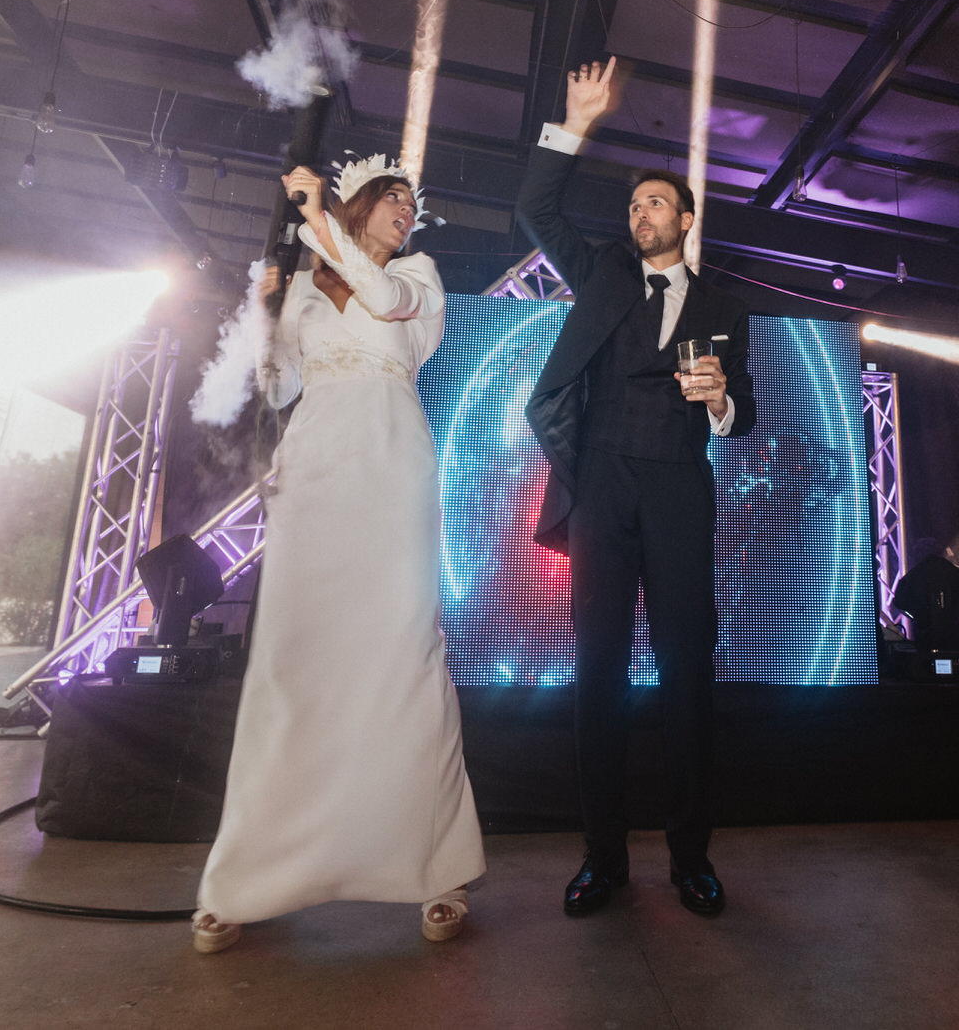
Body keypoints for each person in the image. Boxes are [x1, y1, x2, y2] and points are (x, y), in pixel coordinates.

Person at [190, 156, 484, 954]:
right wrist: (263, 322)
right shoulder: (304, 289)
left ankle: (438, 869)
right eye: (392, 198)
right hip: (314, 465)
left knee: (404, 650)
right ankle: (244, 878)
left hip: (391, 461)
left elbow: (383, 299)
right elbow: (279, 388)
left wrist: (317, 221)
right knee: (291, 656)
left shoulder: (418, 275)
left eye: (410, 203)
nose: (405, 211)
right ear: (360, 204)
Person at [517, 57, 756, 919]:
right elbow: (536, 209)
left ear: (686, 220)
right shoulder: (605, 275)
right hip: (603, 486)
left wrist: (721, 399)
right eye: (633, 205)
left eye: (656, 203)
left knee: (687, 670)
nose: (640, 213)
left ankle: (691, 857)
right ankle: (602, 857)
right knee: (598, 673)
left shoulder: (724, 306)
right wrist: (575, 125)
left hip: (680, 489)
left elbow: (744, 412)